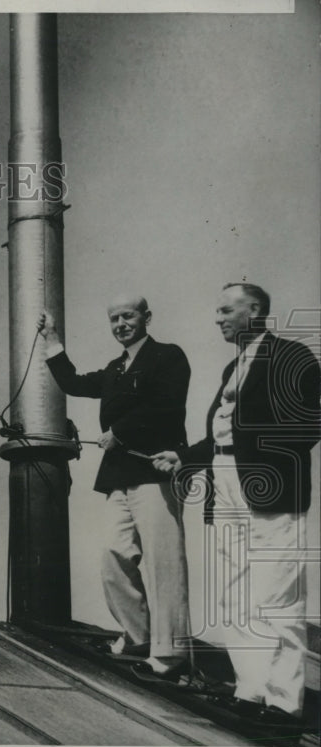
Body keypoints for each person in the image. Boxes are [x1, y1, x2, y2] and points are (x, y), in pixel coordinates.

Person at [153, 283, 320, 722]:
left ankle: (284, 704)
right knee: (234, 591)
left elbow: (311, 421)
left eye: (227, 309)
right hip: (223, 481)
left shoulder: (290, 356)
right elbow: (221, 434)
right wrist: (185, 457)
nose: (218, 318)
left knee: (276, 595)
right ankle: (250, 691)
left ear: (256, 310)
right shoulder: (234, 367)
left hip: (271, 487)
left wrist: (267, 462)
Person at [38, 297, 191, 678]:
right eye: (114, 319)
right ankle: (138, 637)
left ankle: (170, 655)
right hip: (119, 477)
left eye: (128, 316)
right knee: (112, 554)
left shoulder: (168, 357)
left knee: (163, 564)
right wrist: (52, 338)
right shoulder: (114, 369)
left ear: (146, 318)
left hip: (156, 473)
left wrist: (119, 433)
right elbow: (73, 383)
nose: (121, 324)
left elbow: (166, 405)